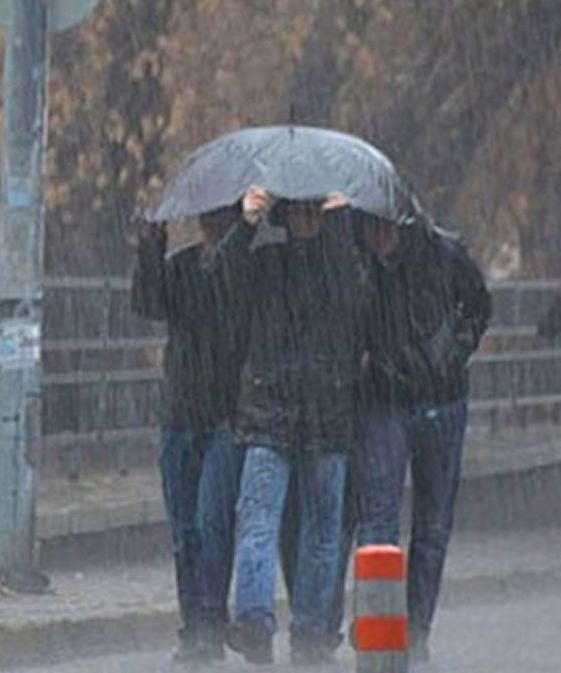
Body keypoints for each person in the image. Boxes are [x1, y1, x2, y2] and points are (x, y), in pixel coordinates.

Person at [221, 186, 373, 665]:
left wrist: (339, 227)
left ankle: (307, 631)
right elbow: (223, 282)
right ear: (286, 216)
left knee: (317, 529)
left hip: (314, 412)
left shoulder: (343, 265)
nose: (307, 220)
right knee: (262, 520)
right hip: (281, 410)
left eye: (314, 212)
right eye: (300, 212)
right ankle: (256, 622)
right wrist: (244, 225)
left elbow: (359, 308)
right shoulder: (269, 264)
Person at [355, 213, 490, 663]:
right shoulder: (362, 266)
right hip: (386, 398)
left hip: (442, 399)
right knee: (379, 520)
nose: (377, 238)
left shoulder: (442, 254)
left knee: (432, 525)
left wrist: (453, 353)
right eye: (370, 229)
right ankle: (381, 625)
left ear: (401, 224)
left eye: (383, 228)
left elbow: (479, 305)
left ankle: (416, 630)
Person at [130, 204, 248, 663]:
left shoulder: (244, 269)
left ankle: (210, 625)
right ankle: (193, 623)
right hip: (181, 413)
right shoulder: (182, 267)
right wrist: (150, 249)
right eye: (209, 216)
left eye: (222, 216)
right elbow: (148, 304)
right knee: (184, 530)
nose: (213, 224)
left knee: (211, 524)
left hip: (225, 416)